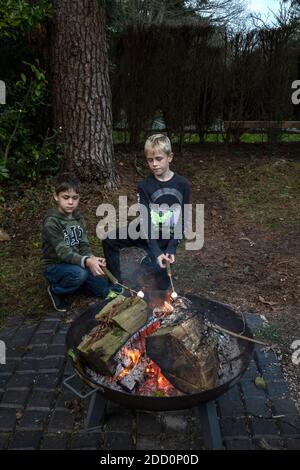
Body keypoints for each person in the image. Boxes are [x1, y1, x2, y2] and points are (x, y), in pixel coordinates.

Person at [102, 134, 191, 290]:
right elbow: (145, 221)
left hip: (166, 239)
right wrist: (156, 251)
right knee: (108, 240)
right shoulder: (144, 185)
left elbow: (183, 219)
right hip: (145, 232)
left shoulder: (183, 184)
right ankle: (115, 287)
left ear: (169, 157)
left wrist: (171, 248)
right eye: (150, 160)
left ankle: (149, 261)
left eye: (158, 159)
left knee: (162, 288)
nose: (154, 164)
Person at [42, 173, 122, 312]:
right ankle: (56, 290)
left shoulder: (78, 218)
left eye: (75, 198)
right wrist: (86, 262)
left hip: (76, 262)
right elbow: (63, 252)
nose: (71, 202)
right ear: (56, 196)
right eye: (66, 198)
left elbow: (83, 245)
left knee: (102, 286)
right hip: (56, 266)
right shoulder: (52, 222)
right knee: (79, 274)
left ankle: (79, 283)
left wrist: (91, 258)